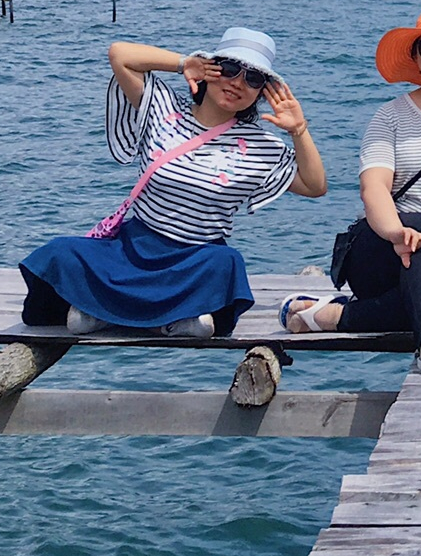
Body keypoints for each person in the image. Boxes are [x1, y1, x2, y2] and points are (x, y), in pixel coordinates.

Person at [19, 27, 326, 337]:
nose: (237, 82)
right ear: (210, 69)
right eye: (229, 68)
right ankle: (160, 319)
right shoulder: (163, 107)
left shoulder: (260, 146)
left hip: (195, 258)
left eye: (253, 79)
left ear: (261, 92)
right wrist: (184, 63)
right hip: (132, 249)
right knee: (61, 252)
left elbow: (315, 186)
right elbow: (120, 55)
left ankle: (103, 312)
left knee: (227, 264)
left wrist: (298, 130)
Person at [282, 1, 421, 382]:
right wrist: (396, 233)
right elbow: (373, 187)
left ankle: (335, 316)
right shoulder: (389, 116)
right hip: (382, 252)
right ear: (416, 57)